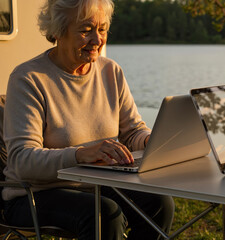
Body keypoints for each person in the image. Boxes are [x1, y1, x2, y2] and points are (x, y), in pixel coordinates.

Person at [2, 0, 174, 239]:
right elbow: (23, 160)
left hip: (96, 185)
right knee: (104, 214)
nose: (97, 40)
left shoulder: (110, 71)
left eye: (102, 29)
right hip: (34, 194)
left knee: (158, 203)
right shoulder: (28, 79)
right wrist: (81, 154)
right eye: (86, 30)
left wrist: (151, 141)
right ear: (58, 32)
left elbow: (133, 131)